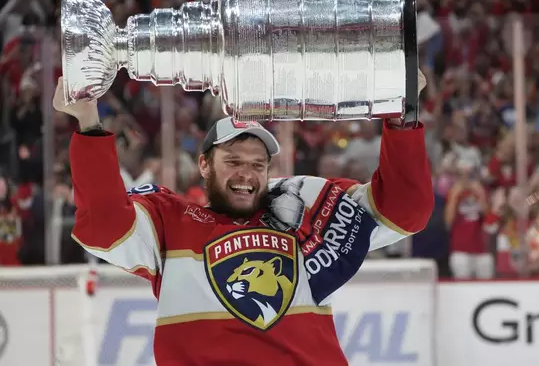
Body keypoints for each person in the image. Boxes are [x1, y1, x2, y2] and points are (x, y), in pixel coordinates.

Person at [52, 71, 433, 365]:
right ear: (204, 164)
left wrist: (403, 117)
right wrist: (88, 123)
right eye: (232, 161)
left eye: (257, 165)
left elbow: (404, 211)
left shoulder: (305, 207)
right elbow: (103, 227)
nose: (246, 174)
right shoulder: (169, 220)